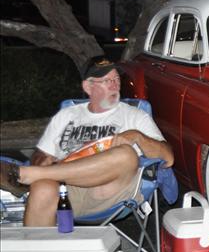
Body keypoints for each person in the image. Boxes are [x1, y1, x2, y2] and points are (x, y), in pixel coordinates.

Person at [1, 56, 174, 227]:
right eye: (106, 81)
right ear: (88, 87)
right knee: (42, 189)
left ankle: (26, 175)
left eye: (116, 79)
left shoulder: (135, 115)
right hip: (67, 191)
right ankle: (38, 245)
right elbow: (41, 155)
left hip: (110, 191)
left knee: (125, 154)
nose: (114, 85)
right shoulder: (66, 116)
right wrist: (42, 160)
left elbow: (168, 158)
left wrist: (137, 136)